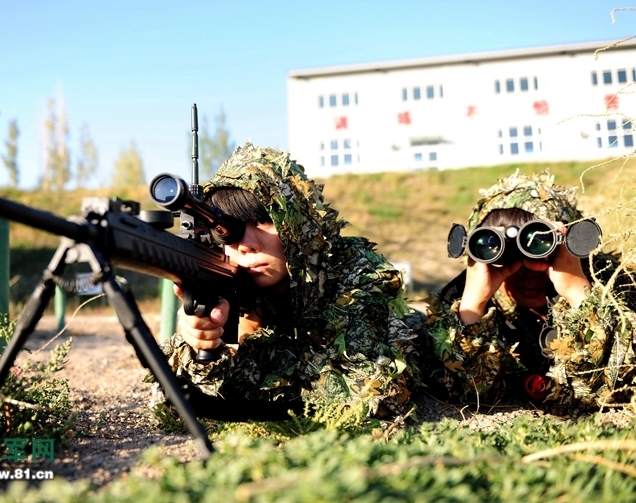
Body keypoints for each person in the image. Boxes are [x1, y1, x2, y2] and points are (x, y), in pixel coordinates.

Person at [151, 142, 421, 420]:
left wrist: (249, 352)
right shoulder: (236, 284)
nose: (245, 245)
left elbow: (372, 393)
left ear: (295, 221)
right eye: (230, 231)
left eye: (263, 221)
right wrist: (204, 348)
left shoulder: (356, 270)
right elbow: (166, 404)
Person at [423, 170, 636, 411]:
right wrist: (472, 307)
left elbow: (622, 378)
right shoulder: (461, 296)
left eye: (539, 249)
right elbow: (464, 391)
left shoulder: (612, 281)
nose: (527, 274)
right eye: (508, 258)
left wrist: (579, 294)